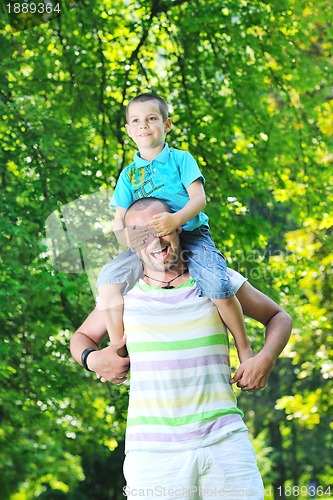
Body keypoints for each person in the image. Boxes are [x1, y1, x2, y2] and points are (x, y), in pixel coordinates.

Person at [71, 198, 292, 500]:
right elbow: (81, 337)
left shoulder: (217, 281)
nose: (156, 242)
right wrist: (93, 359)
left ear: (178, 227)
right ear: (131, 244)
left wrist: (263, 359)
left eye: (160, 228)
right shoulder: (124, 294)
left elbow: (279, 317)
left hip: (224, 442)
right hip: (153, 454)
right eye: (141, 235)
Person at [97, 93, 253, 362]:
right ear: (129, 130)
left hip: (191, 235)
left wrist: (176, 220)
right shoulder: (128, 174)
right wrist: (131, 241)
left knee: (217, 284)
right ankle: (119, 349)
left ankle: (244, 348)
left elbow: (199, 200)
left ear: (166, 125)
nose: (144, 125)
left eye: (151, 119)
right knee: (108, 279)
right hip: (147, 243)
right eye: (136, 120)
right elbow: (119, 222)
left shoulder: (181, 160)